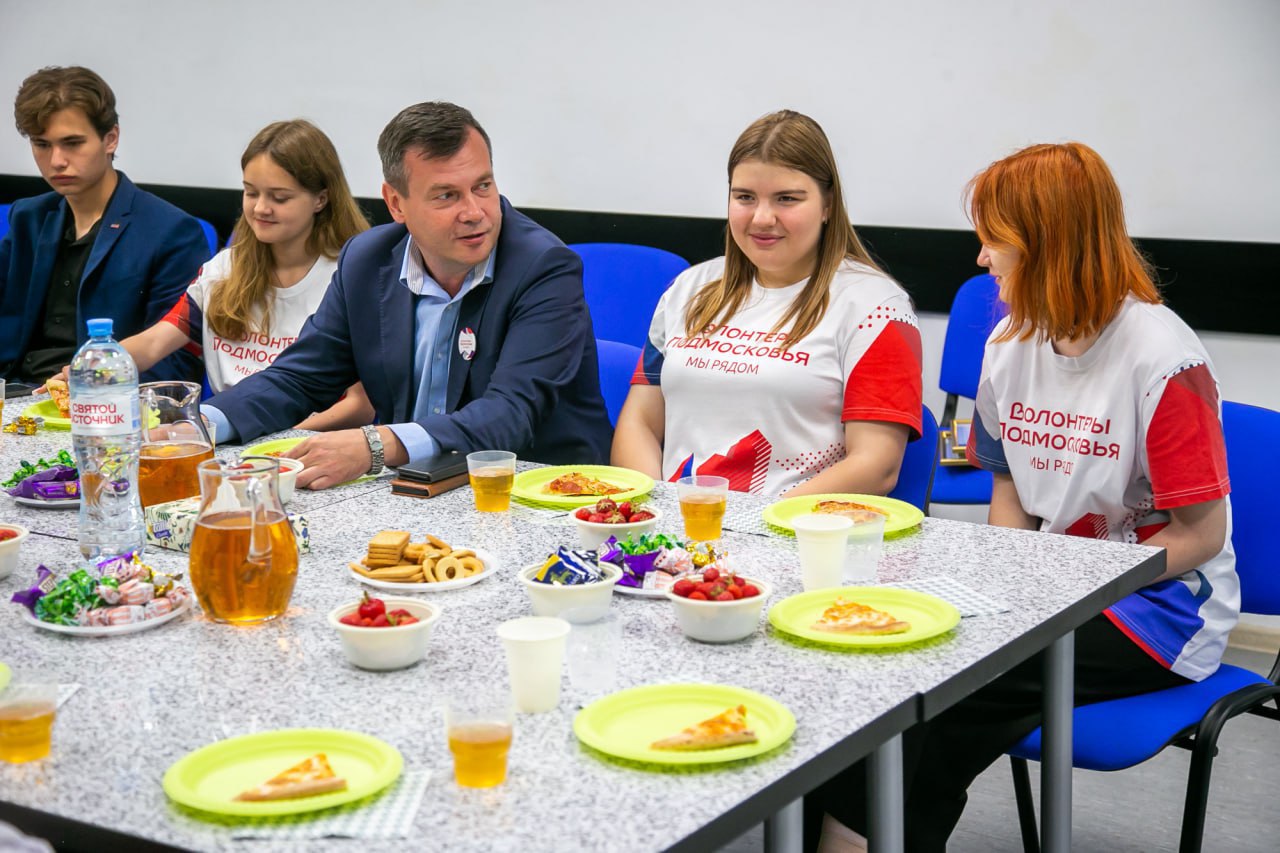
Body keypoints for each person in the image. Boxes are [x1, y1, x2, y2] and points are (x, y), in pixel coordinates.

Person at [805, 142, 1237, 852]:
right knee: (876, 673)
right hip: (1053, 592)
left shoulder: (1165, 359)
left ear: (1051, 246)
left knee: (942, 702)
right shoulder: (1009, 342)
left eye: (994, 241)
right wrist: (1016, 587)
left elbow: (1199, 535)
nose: (981, 260)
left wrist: (1063, 591)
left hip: (1159, 610)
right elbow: (1009, 488)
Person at [202, 101, 612, 488]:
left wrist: (375, 445)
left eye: (482, 186)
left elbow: (510, 413)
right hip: (408, 488)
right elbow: (300, 378)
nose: (474, 211)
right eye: (446, 195)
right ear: (396, 203)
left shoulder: (544, 267)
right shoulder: (367, 260)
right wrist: (196, 424)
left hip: (535, 494)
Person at [611, 109, 922, 497]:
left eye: (787, 199)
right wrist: (658, 510)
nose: (761, 218)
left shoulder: (878, 307)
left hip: (796, 534)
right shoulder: (688, 289)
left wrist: (755, 523)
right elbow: (639, 421)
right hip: (684, 529)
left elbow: (876, 466)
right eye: (744, 197)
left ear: (827, 205)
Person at [52, 120, 374, 431]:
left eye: (280, 197)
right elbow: (153, 343)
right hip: (229, 434)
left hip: (312, 442)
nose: (261, 208)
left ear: (321, 199)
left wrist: (285, 440)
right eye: (251, 193)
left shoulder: (348, 276)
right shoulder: (225, 270)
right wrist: (94, 368)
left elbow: (360, 405)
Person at [0, 66, 208, 383]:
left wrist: (95, 382)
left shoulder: (171, 231)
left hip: (106, 404)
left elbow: (176, 360)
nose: (56, 160)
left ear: (110, 139)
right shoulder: (28, 217)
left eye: (72, 143)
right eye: (42, 144)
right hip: (17, 397)